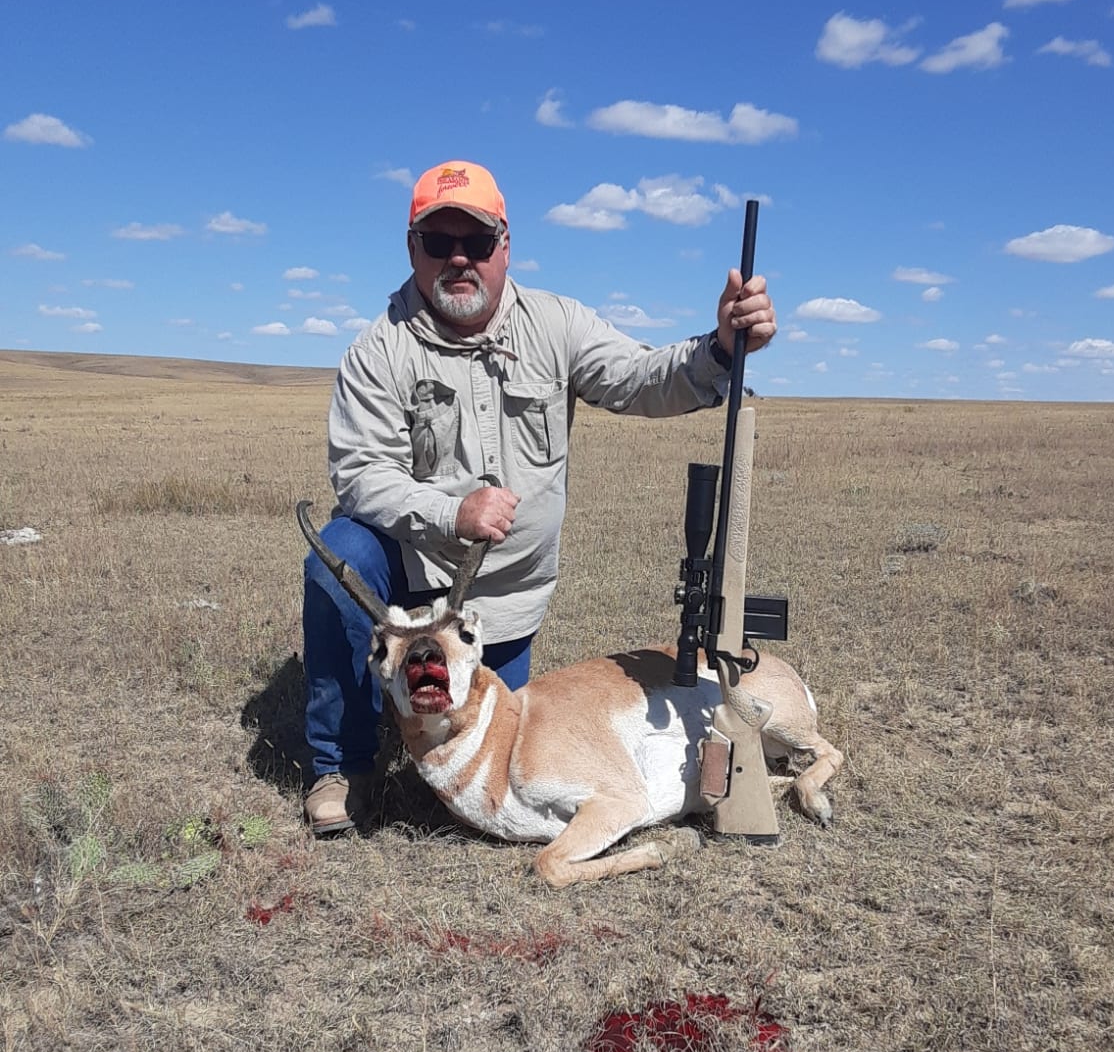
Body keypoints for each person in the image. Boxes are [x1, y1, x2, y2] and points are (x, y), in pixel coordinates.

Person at [302, 160, 777, 834]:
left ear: (506, 245)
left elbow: (640, 378)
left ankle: (401, 707)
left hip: (507, 602)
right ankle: (341, 765)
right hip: (418, 584)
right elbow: (359, 472)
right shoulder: (380, 349)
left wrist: (722, 350)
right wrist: (450, 511)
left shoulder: (556, 324)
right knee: (336, 559)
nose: (458, 258)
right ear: (413, 249)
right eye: (438, 243)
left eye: (477, 240)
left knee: (492, 751)